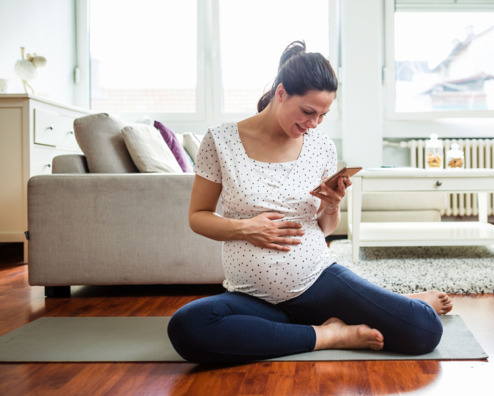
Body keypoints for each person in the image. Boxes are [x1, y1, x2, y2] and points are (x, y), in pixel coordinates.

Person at [167, 41, 453, 364]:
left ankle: (396, 304)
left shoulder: (321, 146)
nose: (314, 124)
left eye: (323, 115)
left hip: (319, 282)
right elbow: (198, 216)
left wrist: (331, 207)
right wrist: (245, 228)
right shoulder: (220, 141)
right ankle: (330, 333)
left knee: (424, 329)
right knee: (187, 327)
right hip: (250, 295)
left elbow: (326, 229)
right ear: (281, 93)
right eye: (308, 112)